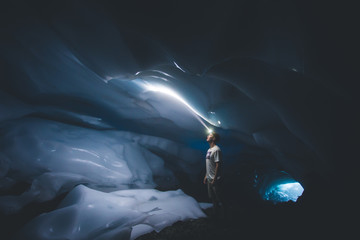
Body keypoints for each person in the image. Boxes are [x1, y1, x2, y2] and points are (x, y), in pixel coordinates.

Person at [203, 131, 224, 217]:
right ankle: (216, 214)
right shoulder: (209, 150)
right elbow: (209, 164)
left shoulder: (217, 150)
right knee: (212, 197)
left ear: (214, 139)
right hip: (209, 178)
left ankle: (223, 215)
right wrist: (206, 176)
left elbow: (218, 165)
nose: (208, 136)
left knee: (219, 197)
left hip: (215, 179)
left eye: (210, 135)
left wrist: (215, 178)